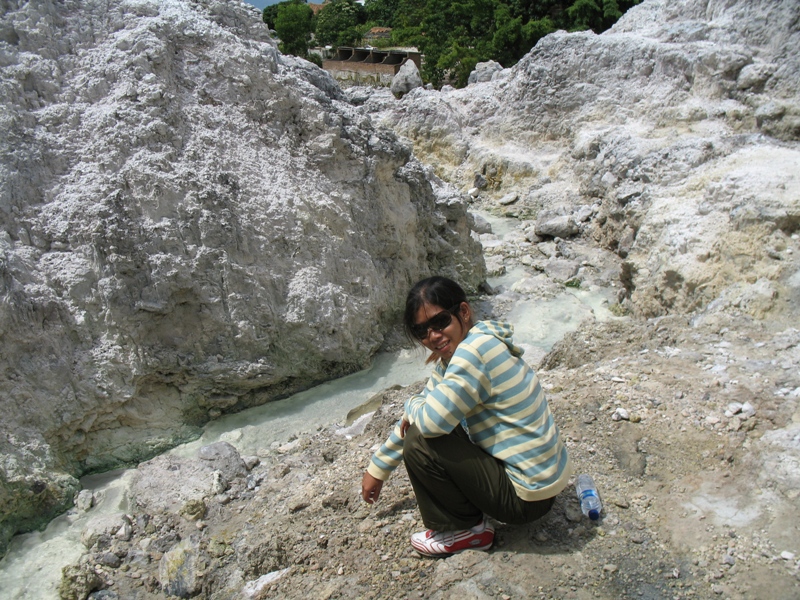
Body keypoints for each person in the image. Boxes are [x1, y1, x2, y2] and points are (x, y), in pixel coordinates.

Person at [360, 276, 572, 557]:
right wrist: (378, 469)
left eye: (440, 322)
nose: (433, 336)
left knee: (421, 439)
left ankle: (467, 531)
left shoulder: (471, 355)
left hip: (527, 499)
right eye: (422, 330)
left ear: (463, 312)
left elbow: (427, 423)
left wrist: (413, 403)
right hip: (544, 484)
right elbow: (424, 408)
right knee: (428, 421)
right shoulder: (480, 341)